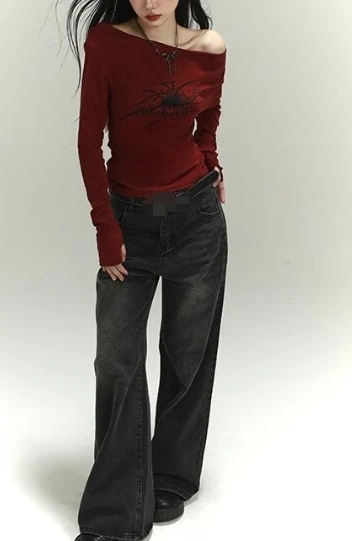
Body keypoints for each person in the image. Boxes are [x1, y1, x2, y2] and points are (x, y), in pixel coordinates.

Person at [63, 1, 228, 539]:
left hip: (196, 218)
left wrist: (212, 165)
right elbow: (89, 141)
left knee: (188, 351)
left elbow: (206, 122)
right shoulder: (107, 43)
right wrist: (105, 229)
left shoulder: (210, 48)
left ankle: (171, 476)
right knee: (116, 359)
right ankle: (115, 513)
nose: (149, 3)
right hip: (130, 223)